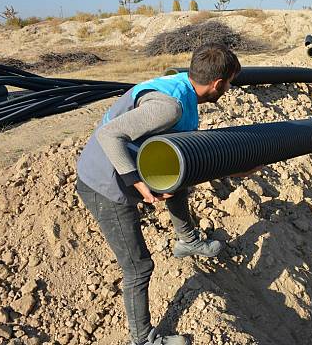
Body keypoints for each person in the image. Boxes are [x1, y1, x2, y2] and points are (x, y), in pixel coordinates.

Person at [75, 43, 256, 345]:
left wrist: (234, 169)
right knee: (139, 266)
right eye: (229, 84)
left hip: (131, 163)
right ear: (217, 84)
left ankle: (186, 241)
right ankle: (142, 338)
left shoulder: (184, 90)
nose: (229, 89)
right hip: (104, 183)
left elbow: (193, 153)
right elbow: (109, 135)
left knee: (179, 180)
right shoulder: (168, 106)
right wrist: (137, 183)